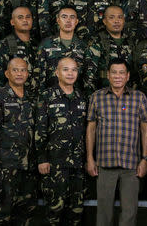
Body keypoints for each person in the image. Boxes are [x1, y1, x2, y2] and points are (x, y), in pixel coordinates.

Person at [86, 57, 147, 226]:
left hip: (131, 165)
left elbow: (145, 129)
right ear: (108, 75)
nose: (117, 76)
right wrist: (90, 158)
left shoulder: (139, 97)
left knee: (129, 213)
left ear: (128, 76)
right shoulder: (97, 97)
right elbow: (91, 129)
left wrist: (145, 159)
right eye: (114, 72)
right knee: (103, 214)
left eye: (121, 72)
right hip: (104, 164)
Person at [0, 57, 37, 225]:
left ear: (27, 74)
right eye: (15, 70)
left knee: (25, 211)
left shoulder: (31, 97)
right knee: (2, 212)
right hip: (5, 163)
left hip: (27, 164)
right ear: (7, 73)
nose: (19, 73)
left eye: (23, 70)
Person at [36, 57, 87, 226]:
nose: (70, 73)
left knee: (76, 211)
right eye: (66, 69)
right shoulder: (47, 96)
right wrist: (42, 158)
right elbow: (40, 130)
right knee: (54, 211)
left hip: (78, 165)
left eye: (74, 69)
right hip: (55, 164)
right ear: (57, 72)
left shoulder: (82, 97)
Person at [83, 5, 132, 96]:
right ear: (104, 21)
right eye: (111, 17)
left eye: (120, 17)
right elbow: (89, 75)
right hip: (103, 95)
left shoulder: (130, 42)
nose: (116, 21)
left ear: (124, 20)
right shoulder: (97, 41)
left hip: (126, 96)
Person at [37, 6, 86, 91]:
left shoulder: (83, 46)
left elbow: (87, 75)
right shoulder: (46, 44)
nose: (68, 20)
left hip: (76, 97)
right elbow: (38, 73)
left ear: (76, 21)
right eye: (64, 17)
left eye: (72, 17)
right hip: (51, 95)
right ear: (58, 20)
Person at [0, 7, 38, 97]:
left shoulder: (37, 44)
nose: (25, 20)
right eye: (20, 17)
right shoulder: (5, 44)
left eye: (28, 17)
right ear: (12, 22)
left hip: (34, 98)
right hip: (13, 99)